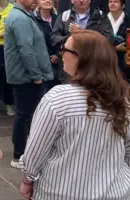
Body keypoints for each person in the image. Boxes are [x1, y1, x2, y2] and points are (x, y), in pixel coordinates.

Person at [20, 30, 130, 200]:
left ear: (82, 58)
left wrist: (28, 180)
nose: (61, 54)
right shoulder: (121, 101)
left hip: (61, 192)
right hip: (114, 192)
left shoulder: (57, 99)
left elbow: (36, 150)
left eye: (65, 50)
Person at [4, 0, 54, 169]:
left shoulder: (23, 16)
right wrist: (36, 76)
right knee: (25, 115)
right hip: (26, 77)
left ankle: (24, 152)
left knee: (26, 115)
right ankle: (19, 155)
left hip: (27, 76)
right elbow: (26, 50)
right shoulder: (20, 18)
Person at [51, 0, 114, 82]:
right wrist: (72, 37)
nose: (81, 0)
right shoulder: (64, 17)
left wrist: (82, 33)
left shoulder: (101, 16)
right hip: (69, 68)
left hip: (93, 66)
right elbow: (54, 39)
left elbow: (108, 39)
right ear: (72, 0)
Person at [34, 0, 60, 93]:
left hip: (57, 60)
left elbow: (62, 37)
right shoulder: (35, 20)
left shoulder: (58, 19)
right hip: (41, 60)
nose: (48, 1)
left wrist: (57, 54)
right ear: (38, 4)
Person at [107, 0, 130, 78]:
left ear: (122, 5)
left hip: (124, 64)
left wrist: (126, 48)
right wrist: (114, 48)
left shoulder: (128, 21)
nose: (112, 4)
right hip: (106, 62)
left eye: (116, 1)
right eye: (110, 2)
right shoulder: (101, 21)